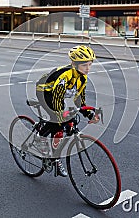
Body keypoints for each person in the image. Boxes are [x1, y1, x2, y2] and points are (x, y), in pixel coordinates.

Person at [35, 45, 100, 177]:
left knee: (68, 120)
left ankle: (55, 150)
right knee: (57, 124)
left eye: (90, 65)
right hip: (46, 93)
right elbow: (57, 98)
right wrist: (59, 116)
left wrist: (88, 114)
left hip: (60, 95)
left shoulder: (83, 78)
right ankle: (40, 139)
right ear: (74, 64)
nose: (88, 68)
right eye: (84, 65)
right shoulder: (65, 75)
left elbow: (79, 100)